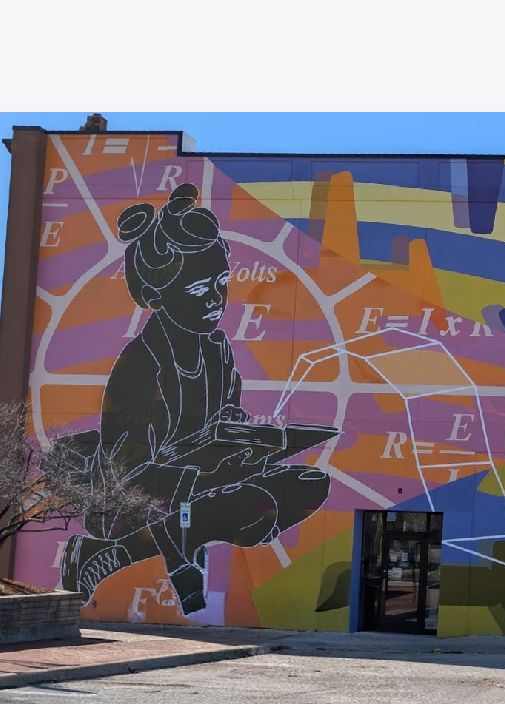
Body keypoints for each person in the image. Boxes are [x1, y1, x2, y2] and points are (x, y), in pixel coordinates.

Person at [60, 184, 331, 614]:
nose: (215, 299)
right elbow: (126, 476)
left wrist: (251, 445)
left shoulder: (218, 350)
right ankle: (118, 549)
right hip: (135, 501)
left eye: (222, 283)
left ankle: (117, 553)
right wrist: (201, 473)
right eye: (198, 288)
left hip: (206, 481)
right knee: (229, 507)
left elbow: (226, 421)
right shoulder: (140, 366)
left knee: (310, 485)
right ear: (157, 295)